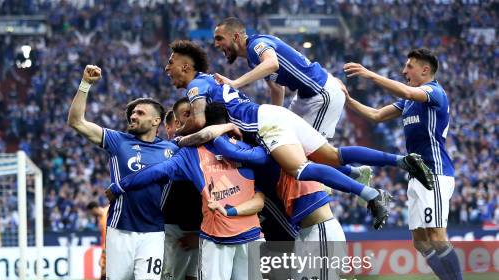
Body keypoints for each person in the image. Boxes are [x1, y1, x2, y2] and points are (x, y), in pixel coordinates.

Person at [165, 40, 434, 230]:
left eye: (171, 62)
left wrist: (179, 134)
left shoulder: (197, 86)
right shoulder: (213, 80)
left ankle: (370, 195)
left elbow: (199, 120)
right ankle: (401, 160)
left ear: (187, 67)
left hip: (263, 122)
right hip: (274, 115)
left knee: (301, 170)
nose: (167, 68)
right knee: (332, 155)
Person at [107, 104, 265, 280]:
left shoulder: (189, 152)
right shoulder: (248, 148)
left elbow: (155, 174)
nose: (184, 121)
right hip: (188, 231)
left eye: (190, 116)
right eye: (181, 117)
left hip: (210, 231)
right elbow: (262, 193)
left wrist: (121, 185)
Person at [210, 126, 362, 280]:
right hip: (305, 233)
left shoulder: (272, 157)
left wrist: (219, 130)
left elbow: (235, 152)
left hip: (320, 230)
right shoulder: (281, 163)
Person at [341, 48, 474, 280]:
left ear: (425, 71)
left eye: (410, 67)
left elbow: (408, 91)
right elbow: (376, 115)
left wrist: (368, 74)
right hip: (416, 175)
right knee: (420, 242)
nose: (405, 71)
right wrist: (348, 100)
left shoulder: (434, 92)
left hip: (435, 174)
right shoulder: (408, 103)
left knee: (437, 237)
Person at [67, 64, 179, 280]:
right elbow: (76, 121)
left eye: (140, 113)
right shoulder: (117, 141)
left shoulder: (172, 150)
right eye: (131, 113)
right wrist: (85, 85)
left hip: (153, 233)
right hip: (119, 230)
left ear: (157, 120)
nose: (133, 116)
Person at [212, 17, 345, 140]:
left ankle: (354, 166)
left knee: (311, 152)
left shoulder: (256, 44)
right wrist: (274, 120)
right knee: (283, 138)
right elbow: (277, 89)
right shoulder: (252, 59)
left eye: (219, 38)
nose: (216, 44)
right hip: (304, 97)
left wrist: (235, 83)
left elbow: (272, 63)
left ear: (235, 37)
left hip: (321, 93)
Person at [150, 101, 203, 280]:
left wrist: (201, 233)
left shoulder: (207, 149)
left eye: (192, 115)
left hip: (201, 231)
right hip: (170, 230)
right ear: (169, 127)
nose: (189, 120)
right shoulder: (166, 153)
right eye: (183, 116)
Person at [85, 201, 108, 280]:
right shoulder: (105, 214)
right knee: (105, 272)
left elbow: (108, 236)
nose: (91, 215)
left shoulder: (105, 216)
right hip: (109, 248)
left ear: (93, 209)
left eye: (90, 212)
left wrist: (103, 252)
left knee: (104, 271)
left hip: (110, 249)